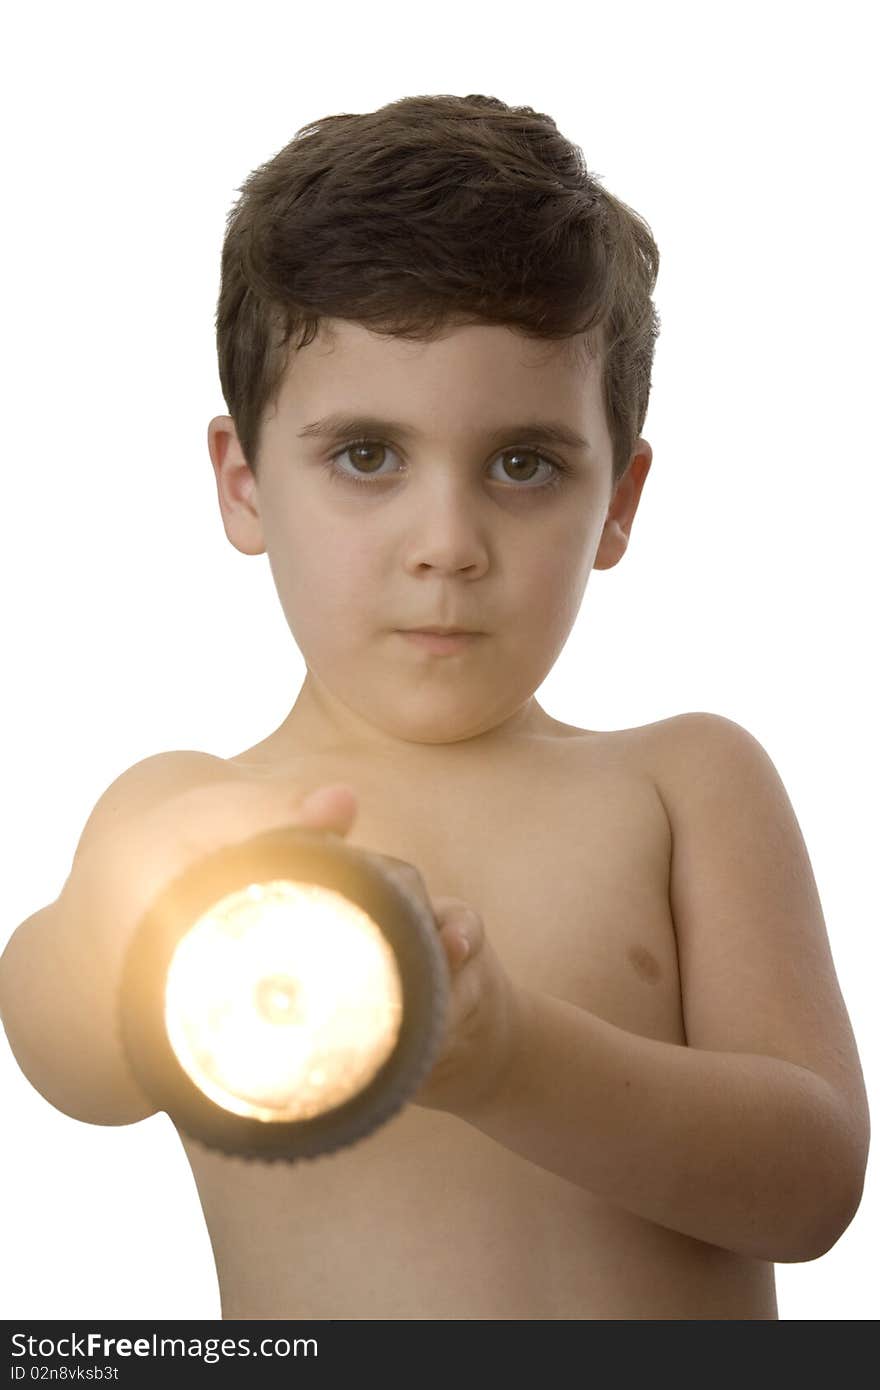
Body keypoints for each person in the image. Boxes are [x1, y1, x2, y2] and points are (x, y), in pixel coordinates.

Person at [0, 92, 869, 1321]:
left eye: (522, 463)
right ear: (244, 485)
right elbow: (67, 1056)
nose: (447, 544)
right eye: (367, 455)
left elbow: (812, 1186)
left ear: (616, 502)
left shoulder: (684, 785)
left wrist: (509, 1056)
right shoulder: (196, 819)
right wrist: (115, 916)